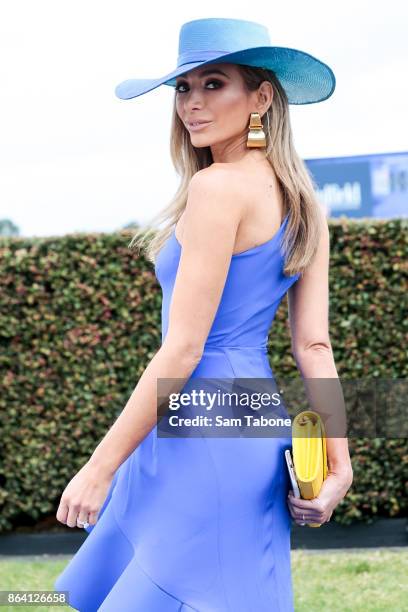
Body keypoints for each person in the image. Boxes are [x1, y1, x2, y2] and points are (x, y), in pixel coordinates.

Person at [54, 17, 353, 611]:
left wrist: (98, 466)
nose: (192, 104)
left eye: (213, 84)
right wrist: (338, 463)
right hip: (240, 426)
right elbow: (313, 348)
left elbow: (185, 349)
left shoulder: (217, 189)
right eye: (182, 88)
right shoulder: (305, 203)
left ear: (262, 96)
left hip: (198, 428)